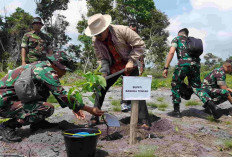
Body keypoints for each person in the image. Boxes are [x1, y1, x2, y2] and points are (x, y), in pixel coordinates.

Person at [0, 51, 104, 142]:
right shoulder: (46, 71)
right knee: (46, 108)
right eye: (63, 69)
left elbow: (55, 93)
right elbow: (62, 94)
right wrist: (89, 109)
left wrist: (74, 106)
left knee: (43, 91)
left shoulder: (41, 66)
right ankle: (7, 126)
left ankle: (38, 123)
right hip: (4, 103)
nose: (64, 73)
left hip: (10, 100)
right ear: (55, 65)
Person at [84, 13, 151, 129]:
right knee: (101, 87)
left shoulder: (122, 30)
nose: (98, 37)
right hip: (113, 67)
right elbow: (102, 58)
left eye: (99, 34)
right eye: (96, 35)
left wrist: (131, 61)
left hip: (129, 64)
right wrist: (104, 72)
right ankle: (95, 116)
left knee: (137, 89)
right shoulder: (96, 41)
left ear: (106, 28)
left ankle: (143, 120)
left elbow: (139, 45)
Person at [162, 28, 221, 119]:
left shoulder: (177, 39)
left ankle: (176, 111)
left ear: (179, 34)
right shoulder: (191, 41)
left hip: (183, 65)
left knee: (175, 84)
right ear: (187, 34)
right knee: (197, 87)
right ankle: (213, 106)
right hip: (196, 65)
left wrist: (166, 67)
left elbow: (171, 52)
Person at [121, 23, 145, 112]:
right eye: (131, 30)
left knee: (134, 84)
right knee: (126, 83)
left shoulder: (138, 40)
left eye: (134, 31)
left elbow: (141, 55)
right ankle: (124, 103)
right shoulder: (124, 39)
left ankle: (131, 103)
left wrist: (141, 67)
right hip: (124, 65)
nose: (132, 32)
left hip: (135, 65)